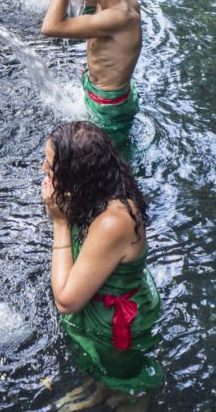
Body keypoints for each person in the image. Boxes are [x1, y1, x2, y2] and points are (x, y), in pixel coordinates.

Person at [41, 121, 162, 396]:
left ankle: (127, 402)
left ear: (76, 176)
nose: (42, 170)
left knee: (126, 383)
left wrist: (59, 223)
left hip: (119, 325)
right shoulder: (98, 191)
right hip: (99, 305)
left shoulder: (112, 222)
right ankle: (100, 389)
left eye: (50, 167)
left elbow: (66, 301)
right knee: (102, 371)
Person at [41, 0, 141, 144]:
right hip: (97, 94)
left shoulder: (118, 16)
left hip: (108, 109)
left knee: (108, 165)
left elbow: (50, 27)